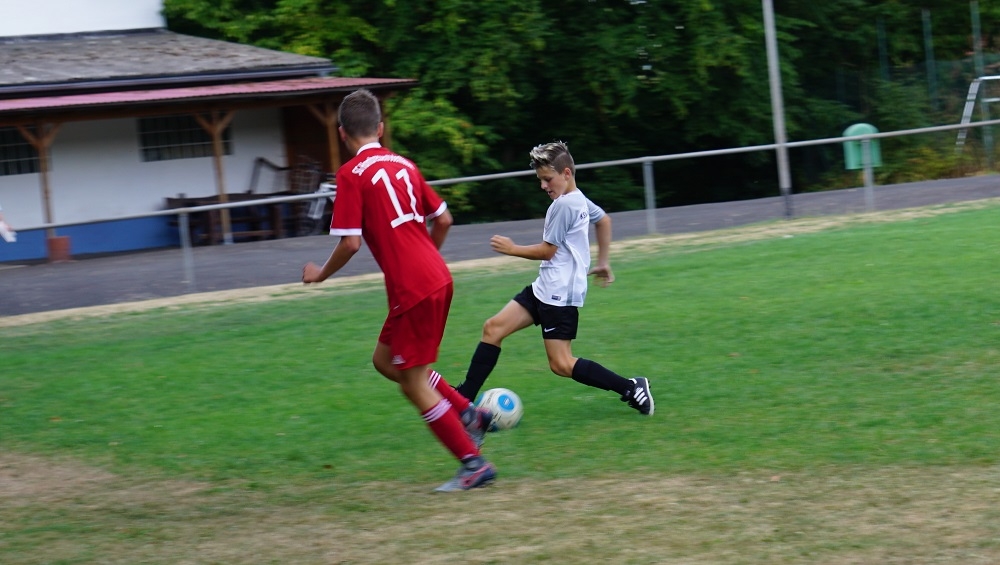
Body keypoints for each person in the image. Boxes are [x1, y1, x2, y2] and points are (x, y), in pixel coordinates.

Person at [302, 89, 495, 492]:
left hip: (413, 287)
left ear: (342, 133)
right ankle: (469, 414)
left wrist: (320, 274)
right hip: (435, 277)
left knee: (412, 383)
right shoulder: (405, 164)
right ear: (380, 128)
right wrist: (427, 259)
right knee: (385, 361)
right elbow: (444, 219)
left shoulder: (350, 175)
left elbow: (350, 243)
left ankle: (473, 464)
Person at [455, 141, 654, 416]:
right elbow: (604, 220)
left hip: (559, 294)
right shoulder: (578, 198)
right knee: (493, 328)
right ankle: (463, 400)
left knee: (561, 364)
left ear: (566, 173)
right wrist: (603, 261)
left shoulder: (564, 205)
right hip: (545, 288)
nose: (543, 185)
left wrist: (512, 249)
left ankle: (631, 387)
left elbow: (547, 251)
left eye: (548, 179)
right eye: (541, 179)